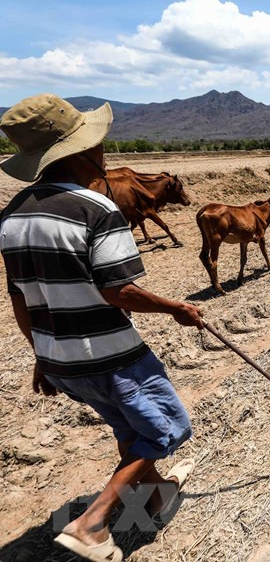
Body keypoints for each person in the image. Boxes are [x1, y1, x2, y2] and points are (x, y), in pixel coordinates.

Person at [0, 95, 203, 561]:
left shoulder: (12, 216)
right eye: (98, 144)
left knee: (127, 426)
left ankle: (154, 496)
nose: (103, 151)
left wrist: (41, 356)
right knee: (167, 428)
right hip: (110, 354)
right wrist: (176, 308)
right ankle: (94, 521)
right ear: (82, 151)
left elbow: (19, 296)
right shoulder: (96, 208)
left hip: (61, 361)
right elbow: (119, 292)